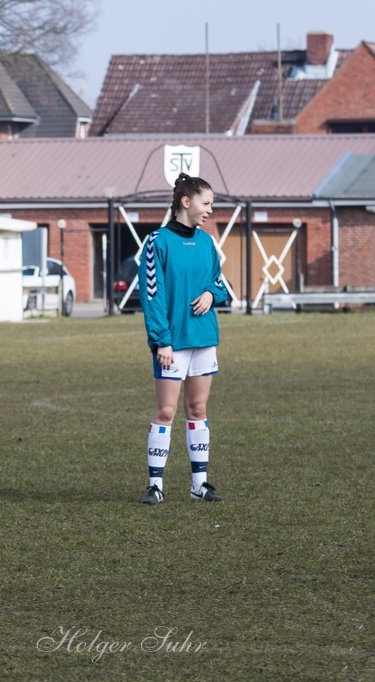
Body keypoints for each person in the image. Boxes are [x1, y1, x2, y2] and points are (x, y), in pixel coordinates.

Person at [140, 172, 232, 505]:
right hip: (172, 342)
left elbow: (219, 283)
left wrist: (211, 292)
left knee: (198, 408)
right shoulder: (157, 242)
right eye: (206, 203)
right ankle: (155, 484)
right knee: (165, 411)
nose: (210, 210)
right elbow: (153, 295)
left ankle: (199, 484)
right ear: (186, 201)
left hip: (204, 338)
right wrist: (161, 340)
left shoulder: (207, 242)